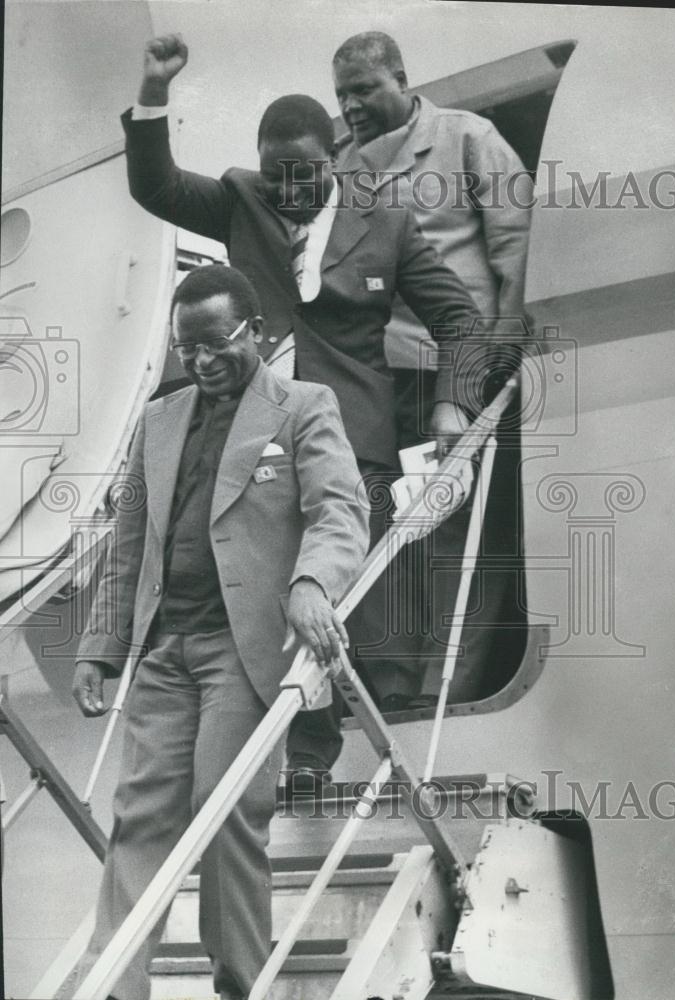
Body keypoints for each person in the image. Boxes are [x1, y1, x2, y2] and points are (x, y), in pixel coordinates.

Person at [122, 33, 495, 780]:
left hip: (351, 425)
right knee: (271, 578)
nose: (287, 192)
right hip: (254, 428)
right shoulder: (241, 200)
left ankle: (381, 716)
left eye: (302, 176)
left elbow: (459, 318)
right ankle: (309, 748)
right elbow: (156, 187)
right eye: (275, 177)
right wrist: (155, 94)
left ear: (333, 159)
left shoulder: (384, 224)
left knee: (356, 566)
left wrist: (453, 409)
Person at [70, 265, 368, 1000]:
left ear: (255, 331)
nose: (201, 362)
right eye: (186, 349)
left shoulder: (304, 406)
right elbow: (129, 543)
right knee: (141, 816)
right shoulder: (158, 420)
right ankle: (116, 988)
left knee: (228, 806)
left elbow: (339, 511)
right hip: (167, 650)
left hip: (245, 650)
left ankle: (241, 985)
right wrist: (100, 647)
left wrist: (310, 583)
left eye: (216, 343)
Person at [333, 31, 532, 705]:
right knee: (392, 530)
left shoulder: (468, 137)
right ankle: (396, 688)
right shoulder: (342, 167)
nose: (352, 105)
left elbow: (516, 241)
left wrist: (501, 354)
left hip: (461, 371)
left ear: (401, 78)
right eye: (342, 95)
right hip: (383, 381)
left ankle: (447, 687)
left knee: (464, 530)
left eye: (364, 89)